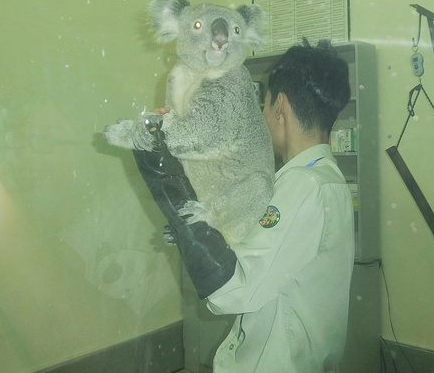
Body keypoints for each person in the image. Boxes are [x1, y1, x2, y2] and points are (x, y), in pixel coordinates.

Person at [134, 39, 354, 372]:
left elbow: (232, 288)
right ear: (333, 121)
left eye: (263, 105)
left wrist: (163, 173)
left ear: (280, 106)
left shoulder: (303, 186)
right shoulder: (325, 179)